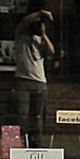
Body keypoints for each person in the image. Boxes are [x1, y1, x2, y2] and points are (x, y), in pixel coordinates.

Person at [12, 9, 56, 146]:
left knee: (37, 116)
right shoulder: (21, 37)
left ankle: (36, 142)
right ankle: (22, 141)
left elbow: (51, 51)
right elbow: (24, 21)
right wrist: (40, 13)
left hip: (39, 81)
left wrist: (43, 34)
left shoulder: (40, 41)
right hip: (22, 80)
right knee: (23, 115)